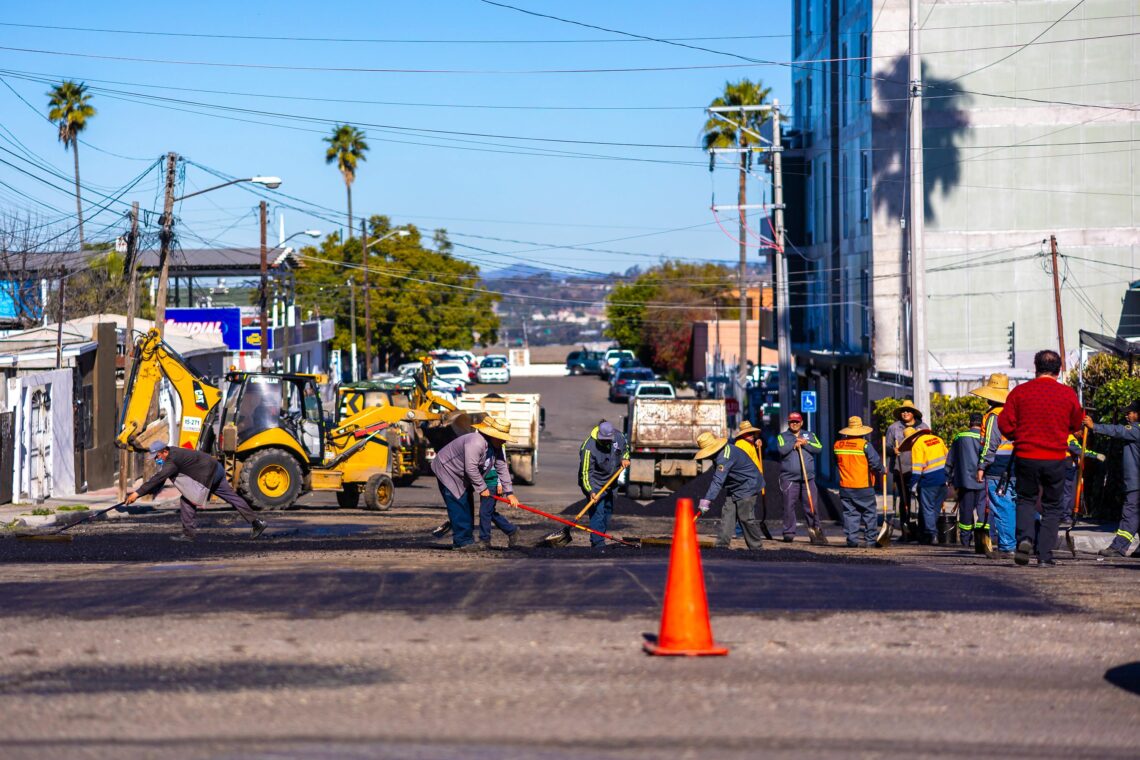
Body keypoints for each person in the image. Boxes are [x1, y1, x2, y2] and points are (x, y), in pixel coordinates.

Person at [998, 350, 1085, 567]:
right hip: (1055, 457)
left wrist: (1018, 435)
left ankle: (1025, 538)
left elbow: (1005, 424)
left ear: (1036, 368)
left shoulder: (1020, 392)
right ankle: (1045, 556)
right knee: (1052, 506)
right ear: (1059, 369)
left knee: (1025, 499)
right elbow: (1076, 424)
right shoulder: (1067, 394)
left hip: (1026, 455)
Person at [125, 441, 266, 542]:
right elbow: (161, 479)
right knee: (232, 497)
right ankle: (257, 522)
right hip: (216, 468)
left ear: (164, 451)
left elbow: (158, 478)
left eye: (157, 456)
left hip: (208, 474)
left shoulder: (171, 461)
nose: (157, 459)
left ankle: (189, 534)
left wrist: (137, 494)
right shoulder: (173, 453)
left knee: (186, 500)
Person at [431, 416, 519, 551]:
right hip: (447, 469)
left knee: (467, 503)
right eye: (502, 437)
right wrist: (482, 487)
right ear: (493, 435)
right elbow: (471, 468)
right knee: (459, 503)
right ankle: (462, 542)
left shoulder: (497, 446)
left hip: (462, 474)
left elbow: (502, 467)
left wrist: (510, 493)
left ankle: (466, 539)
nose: (504, 440)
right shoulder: (476, 442)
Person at [1083, 401, 1140, 558]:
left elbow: (1118, 431)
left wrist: (1094, 426)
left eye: (1130, 412)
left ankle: (1118, 547)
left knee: (1130, 514)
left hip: (1136, 483)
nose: (1127, 415)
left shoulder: (1136, 430)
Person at [695, 431, 766, 549]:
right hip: (735, 485)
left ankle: (756, 548)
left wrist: (707, 500)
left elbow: (717, 481)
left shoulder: (724, 456)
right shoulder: (720, 453)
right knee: (728, 514)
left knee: (745, 517)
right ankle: (722, 545)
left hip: (748, 484)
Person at [971, 373, 1017, 556]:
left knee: (1002, 506)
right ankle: (1024, 541)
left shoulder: (993, 416)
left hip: (998, 467)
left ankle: (1007, 546)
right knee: (1015, 505)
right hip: (1018, 465)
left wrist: (982, 466)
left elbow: (990, 443)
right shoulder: (1016, 412)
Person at [579, 421, 630, 551]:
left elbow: (625, 448)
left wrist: (625, 457)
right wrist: (590, 491)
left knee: (607, 511)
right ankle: (598, 543)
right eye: (605, 440)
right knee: (598, 512)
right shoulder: (588, 448)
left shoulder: (618, 436)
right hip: (594, 483)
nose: (608, 442)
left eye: (609, 440)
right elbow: (585, 473)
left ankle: (599, 536)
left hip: (611, 481)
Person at [833, 416, 884, 548]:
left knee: (850, 513)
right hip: (863, 485)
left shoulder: (838, 445)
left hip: (845, 486)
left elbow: (837, 462)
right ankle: (870, 540)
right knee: (869, 513)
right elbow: (875, 463)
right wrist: (883, 469)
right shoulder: (865, 445)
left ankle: (852, 540)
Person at [775, 412, 825, 542]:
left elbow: (819, 448)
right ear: (788, 423)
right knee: (788, 507)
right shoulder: (782, 436)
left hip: (808, 478)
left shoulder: (810, 435)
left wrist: (805, 443)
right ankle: (789, 532)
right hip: (789, 479)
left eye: (797, 421)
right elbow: (781, 449)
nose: (795, 424)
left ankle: (815, 530)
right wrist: (793, 444)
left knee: (811, 505)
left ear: (801, 422)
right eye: (792, 422)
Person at [884, 399, 930, 538]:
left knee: (923, 499)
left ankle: (924, 529)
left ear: (914, 413)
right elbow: (886, 447)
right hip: (901, 469)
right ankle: (906, 530)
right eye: (903, 411)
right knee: (904, 501)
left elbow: (929, 444)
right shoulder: (894, 428)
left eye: (908, 411)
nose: (905, 413)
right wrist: (893, 450)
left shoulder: (923, 427)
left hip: (920, 468)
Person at [946, 412, 985, 547]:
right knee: (982, 511)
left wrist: (948, 476)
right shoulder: (984, 437)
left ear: (970, 422)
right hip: (982, 481)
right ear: (982, 423)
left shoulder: (959, 436)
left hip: (964, 481)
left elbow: (950, 459)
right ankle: (982, 540)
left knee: (966, 512)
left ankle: (965, 541)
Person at [476, 439, 522, 549]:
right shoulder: (482, 443)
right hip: (484, 481)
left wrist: (499, 483)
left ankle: (484, 539)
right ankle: (512, 530)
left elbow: (502, 466)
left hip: (493, 482)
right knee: (489, 511)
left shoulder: (499, 446)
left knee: (484, 512)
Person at [906, 427, 948, 544]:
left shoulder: (917, 445)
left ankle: (931, 534)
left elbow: (917, 469)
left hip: (929, 481)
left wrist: (912, 485)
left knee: (927, 508)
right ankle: (931, 532)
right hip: (943, 479)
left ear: (911, 439)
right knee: (935, 508)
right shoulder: (937, 439)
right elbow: (948, 456)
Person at [1061, 432, 1103, 527]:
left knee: (1070, 493)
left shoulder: (1071, 438)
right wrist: (1095, 455)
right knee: (1067, 493)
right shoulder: (1070, 438)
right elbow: (1080, 450)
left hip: (1070, 468)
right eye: (1081, 431)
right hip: (1067, 468)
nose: (1081, 434)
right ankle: (1065, 516)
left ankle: (1067, 515)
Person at [734, 420, 768, 536]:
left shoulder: (749, 443)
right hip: (746, 479)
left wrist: (757, 443)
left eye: (752, 433)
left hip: (753, 478)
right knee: (745, 505)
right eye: (749, 433)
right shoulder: (741, 445)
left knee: (749, 506)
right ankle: (740, 531)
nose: (752, 435)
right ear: (743, 434)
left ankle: (746, 530)